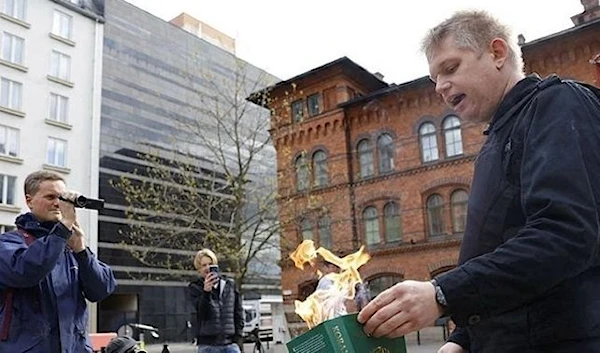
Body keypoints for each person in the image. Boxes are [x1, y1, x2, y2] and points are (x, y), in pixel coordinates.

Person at [357, 10, 600, 353]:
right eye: (434, 79)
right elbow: (495, 253)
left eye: (450, 68)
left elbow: (566, 233)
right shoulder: (496, 140)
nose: (440, 87)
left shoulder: (557, 104)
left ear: (498, 53)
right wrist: (462, 340)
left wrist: (443, 294)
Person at [0, 170, 117, 352]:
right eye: (50, 197)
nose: (57, 203)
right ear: (29, 201)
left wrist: (81, 251)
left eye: (62, 198)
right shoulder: (8, 243)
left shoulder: (71, 246)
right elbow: (27, 270)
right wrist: (63, 228)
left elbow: (101, 289)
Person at [188, 249, 244, 353]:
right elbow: (201, 313)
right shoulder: (195, 288)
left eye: (210, 264)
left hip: (230, 344)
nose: (207, 268)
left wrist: (237, 337)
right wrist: (206, 292)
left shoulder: (229, 285)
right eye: (204, 265)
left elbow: (238, 312)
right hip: (208, 345)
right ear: (199, 269)